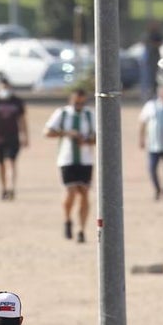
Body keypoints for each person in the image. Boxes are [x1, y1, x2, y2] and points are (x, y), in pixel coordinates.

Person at [44, 89, 96, 243]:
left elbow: (99, 136)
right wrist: (66, 133)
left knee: (84, 193)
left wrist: (85, 141)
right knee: (70, 191)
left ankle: (81, 229)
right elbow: (47, 131)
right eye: (76, 102)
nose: (79, 105)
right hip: (66, 158)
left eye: (81, 102)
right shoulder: (62, 114)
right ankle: (67, 219)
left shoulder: (89, 115)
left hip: (85, 159)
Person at [138, 83, 163, 202]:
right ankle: (158, 189)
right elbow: (143, 122)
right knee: (152, 169)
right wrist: (141, 138)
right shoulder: (151, 105)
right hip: (154, 144)